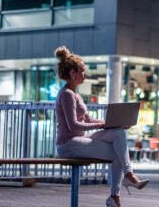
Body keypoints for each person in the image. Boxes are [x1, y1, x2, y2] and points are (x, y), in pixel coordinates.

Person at [54, 46, 149, 207]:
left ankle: (127, 178)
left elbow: (87, 118)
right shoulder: (67, 95)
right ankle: (118, 192)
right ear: (72, 73)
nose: (85, 74)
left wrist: (111, 124)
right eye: (82, 71)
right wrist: (104, 125)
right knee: (118, 152)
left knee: (118, 133)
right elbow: (73, 126)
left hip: (80, 139)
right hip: (68, 143)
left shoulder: (75, 94)